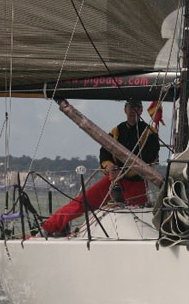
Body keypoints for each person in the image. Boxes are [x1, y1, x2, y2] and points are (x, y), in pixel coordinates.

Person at [41, 100, 160, 236]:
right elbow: (104, 153)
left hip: (137, 183)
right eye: (130, 107)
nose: (133, 110)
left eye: (137, 107)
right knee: (81, 202)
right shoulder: (116, 131)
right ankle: (48, 227)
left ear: (141, 111)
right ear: (125, 109)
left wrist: (124, 172)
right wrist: (109, 167)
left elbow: (149, 159)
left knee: (141, 219)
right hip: (113, 181)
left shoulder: (150, 133)